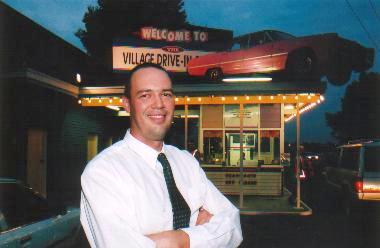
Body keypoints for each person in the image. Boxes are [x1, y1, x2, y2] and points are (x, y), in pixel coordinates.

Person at [80, 63, 243, 248]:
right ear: (127, 104)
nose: (158, 104)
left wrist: (180, 240)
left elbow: (232, 225)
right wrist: (205, 236)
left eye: (166, 94)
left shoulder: (186, 162)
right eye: (145, 95)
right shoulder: (103, 172)